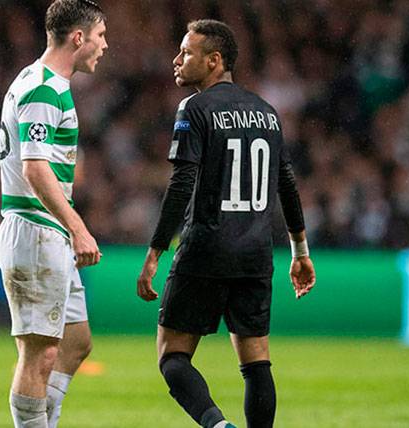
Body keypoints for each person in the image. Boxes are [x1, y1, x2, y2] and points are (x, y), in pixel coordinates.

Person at [136, 20, 316, 428]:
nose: (176, 60)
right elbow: (285, 181)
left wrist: (155, 252)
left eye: (187, 52)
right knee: (256, 361)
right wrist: (300, 251)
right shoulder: (268, 114)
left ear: (214, 61)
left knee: (172, 356)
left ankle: (218, 426)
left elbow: (182, 182)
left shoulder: (194, 108)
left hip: (206, 247)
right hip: (255, 251)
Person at [0, 0, 107, 426]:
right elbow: (35, 167)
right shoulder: (44, 88)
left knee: (76, 342)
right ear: (78, 38)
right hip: (35, 231)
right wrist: (78, 228)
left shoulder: (38, 79)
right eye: (100, 36)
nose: (104, 45)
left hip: (47, 232)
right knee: (39, 355)